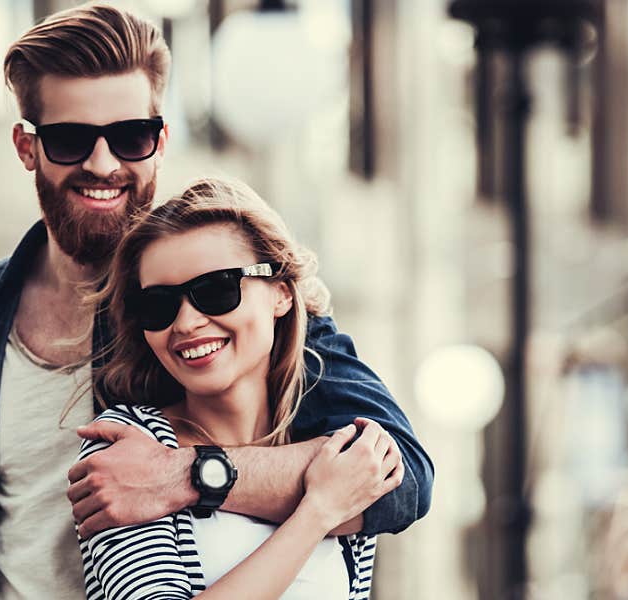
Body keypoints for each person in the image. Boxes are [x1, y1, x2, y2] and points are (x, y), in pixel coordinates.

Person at [0, 4, 432, 600]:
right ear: (26, 147)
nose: (102, 163)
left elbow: (403, 480)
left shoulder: (243, 305)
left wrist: (184, 475)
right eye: (70, 140)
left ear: (160, 141)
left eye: (130, 136)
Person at [76, 177, 402, 600]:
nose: (186, 323)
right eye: (158, 304)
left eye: (216, 290)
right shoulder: (130, 444)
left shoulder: (331, 445)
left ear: (281, 294)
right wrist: (317, 513)